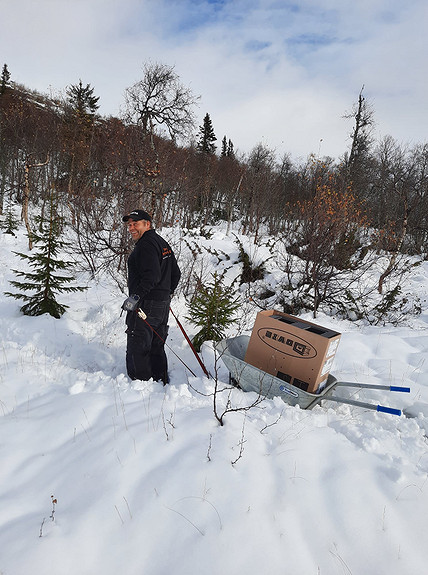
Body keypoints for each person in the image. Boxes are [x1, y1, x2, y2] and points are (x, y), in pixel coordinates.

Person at [122, 209, 181, 384]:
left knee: (138, 342)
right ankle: (159, 379)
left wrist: (135, 297)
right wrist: (165, 294)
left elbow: (152, 276)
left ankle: (140, 383)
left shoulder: (146, 244)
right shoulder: (161, 242)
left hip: (146, 303)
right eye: (129, 225)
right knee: (156, 343)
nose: (131, 228)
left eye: (136, 224)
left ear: (147, 224)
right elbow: (176, 274)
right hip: (161, 304)